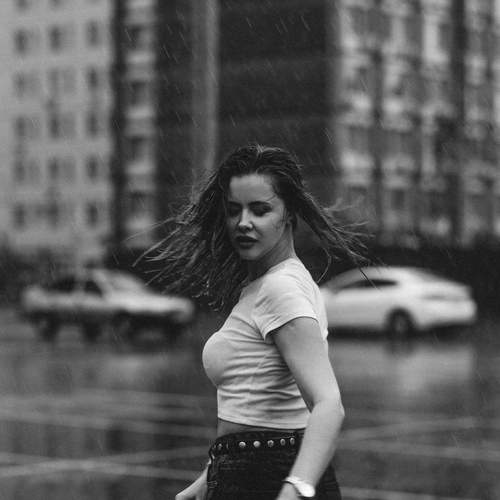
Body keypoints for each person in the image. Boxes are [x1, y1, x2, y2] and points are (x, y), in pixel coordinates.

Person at [151, 145, 363, 500]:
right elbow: (261, 406)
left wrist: (296, 490)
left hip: (268, 480)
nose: (243, 222)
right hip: (249, 476)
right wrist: (207, 481)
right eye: (234, 210)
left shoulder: (281, 289)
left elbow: (329, 404)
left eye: (260, 210)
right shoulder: (273, 285)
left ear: (289, 213)